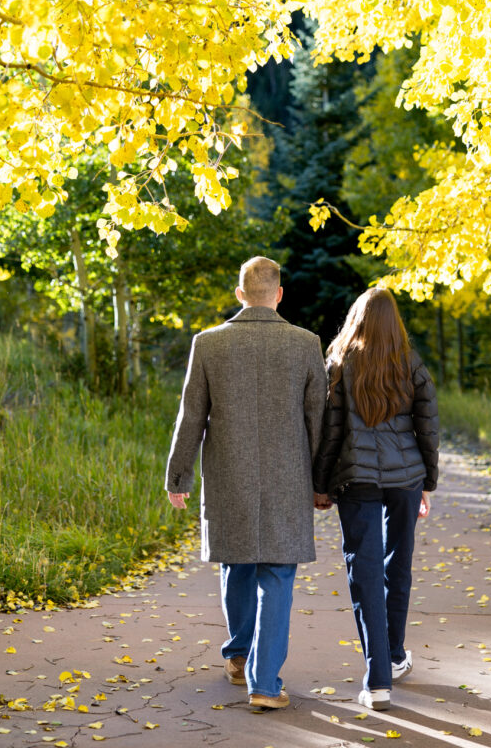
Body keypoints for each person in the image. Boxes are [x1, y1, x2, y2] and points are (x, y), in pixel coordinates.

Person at [165, 256, 327, 710]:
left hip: (228, 477)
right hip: (288, 481)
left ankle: (237, 655)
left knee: (235, 562)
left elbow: (191, 415)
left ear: (240, 294)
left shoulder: (208, 343)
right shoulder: (305, 344)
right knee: (276, 572)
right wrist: (323, 483)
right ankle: (264, 684)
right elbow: (320, 421)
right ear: (278, 295)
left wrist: (178, 475)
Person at [312, 287, 439, 712]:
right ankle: (396, 654)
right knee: (397, 564)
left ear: (358, 318)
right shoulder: (411, 363)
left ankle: (379, 677)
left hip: (357, 478)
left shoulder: (340, 362)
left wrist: (321, 483)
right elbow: (428, 427)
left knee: (363, 572)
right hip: (406, 478)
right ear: (394, 322)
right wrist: (428, 483)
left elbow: (330, 431)